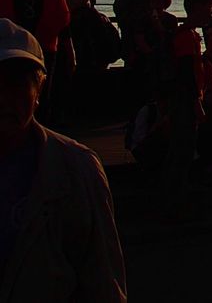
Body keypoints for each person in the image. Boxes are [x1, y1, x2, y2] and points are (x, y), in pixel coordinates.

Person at [0, 19, 126, 301]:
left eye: (16, 85)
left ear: (39, 91)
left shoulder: (76, 168)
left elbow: (102, 277)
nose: (3, 99)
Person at [0, 0, 72, 125]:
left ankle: (41, 128)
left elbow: (63, 25)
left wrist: (70, 53)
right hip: (12, 53)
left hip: (46, 50)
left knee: (44, 93)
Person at [162, 0, 212, 194]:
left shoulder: (190, 35)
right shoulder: (186, 37)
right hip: (184, 100)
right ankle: (174, 193)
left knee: (182, 148)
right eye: (210, 8)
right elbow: (186, 73)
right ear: (197, 8)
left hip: (184, 98)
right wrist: (196, 103)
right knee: (182, 149)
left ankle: (175, 191)